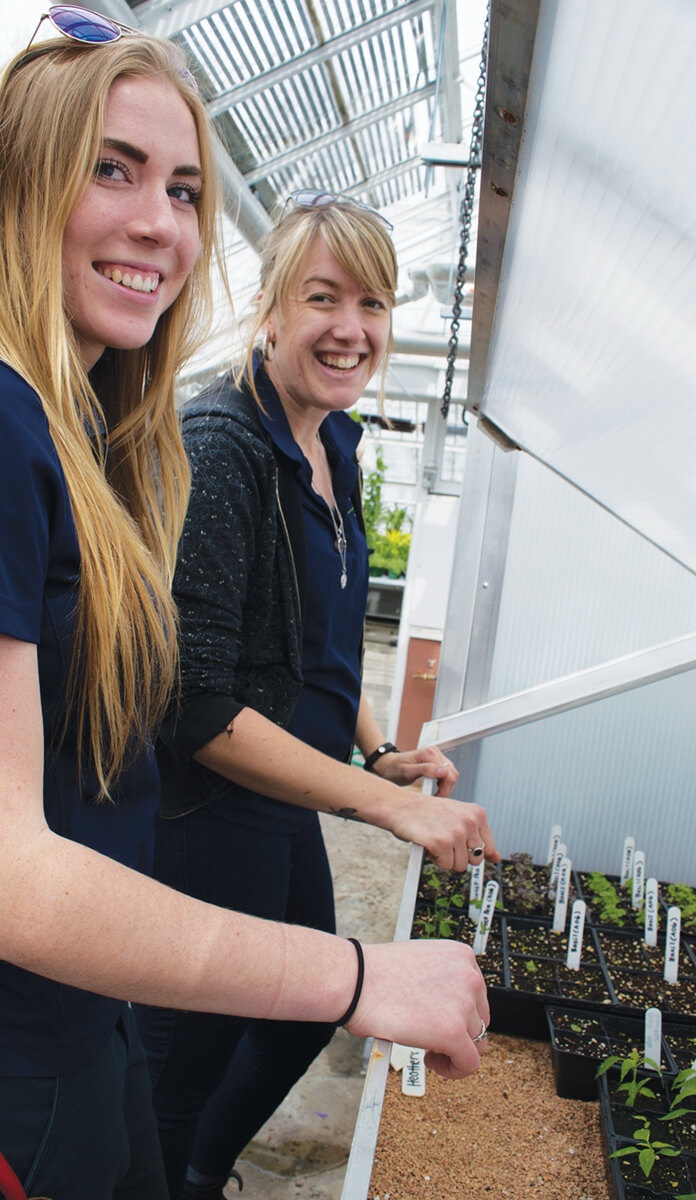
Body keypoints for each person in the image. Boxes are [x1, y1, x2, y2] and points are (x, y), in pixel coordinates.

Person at [0, 14, 492, 1200]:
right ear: (15, 181)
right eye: (109, 169)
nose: (159, 224)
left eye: (181, 189)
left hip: (75, 1019)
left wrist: (372, 752)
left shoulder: (87, 432)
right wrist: (359, 976)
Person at [138, 192, 499, 1200]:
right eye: (322, 298)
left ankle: (204, 1171)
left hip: (287, 808)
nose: (350, 329)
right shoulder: (224, 452)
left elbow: (320, 649)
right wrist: (382, 805)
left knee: (301, 1011)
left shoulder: (327, 442)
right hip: (206, 824)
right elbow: (195, 703)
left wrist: (377, 751)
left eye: (373, 304)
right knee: (177, 1064)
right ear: (269, 307)